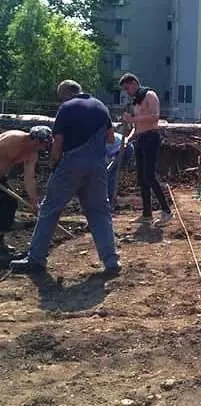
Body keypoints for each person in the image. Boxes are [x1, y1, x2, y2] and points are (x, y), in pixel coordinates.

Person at [11, 80, 120, 275]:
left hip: (71, 164)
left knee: (50, 210)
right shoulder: (101, 106)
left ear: (64, 95)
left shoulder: (66, 108)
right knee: (99, 212)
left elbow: (58, 143)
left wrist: (54, 165)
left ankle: (35, 260)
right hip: (97, 166)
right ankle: (111, 261)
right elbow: (111, 138)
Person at [119, 73, 172, 226]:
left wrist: (133, 119)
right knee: (142, 179)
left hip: (151, 138)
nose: (127, 92)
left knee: (149, 176)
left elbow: (155, 117)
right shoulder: (136, 101)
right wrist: (128, 139)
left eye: (127, 88)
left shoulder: (150, 95)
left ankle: (166, 211)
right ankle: (147, 214)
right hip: (140, 139)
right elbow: (136, 128)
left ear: (134, 83)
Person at [0, 126, 52, 254]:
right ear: (35, 140)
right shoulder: (13, 139)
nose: (43, 148)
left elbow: (29, 179)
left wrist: (35, 203)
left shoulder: (31, 154)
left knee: (9, 202)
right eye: (42, 144)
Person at [106, 131, 134, 210]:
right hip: (124, 148)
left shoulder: (100, 141)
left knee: (109, 174)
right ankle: (110, 198)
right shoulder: (103, 137)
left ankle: (110, 199)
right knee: (111, 173)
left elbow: (103, 161)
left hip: (124, 148)